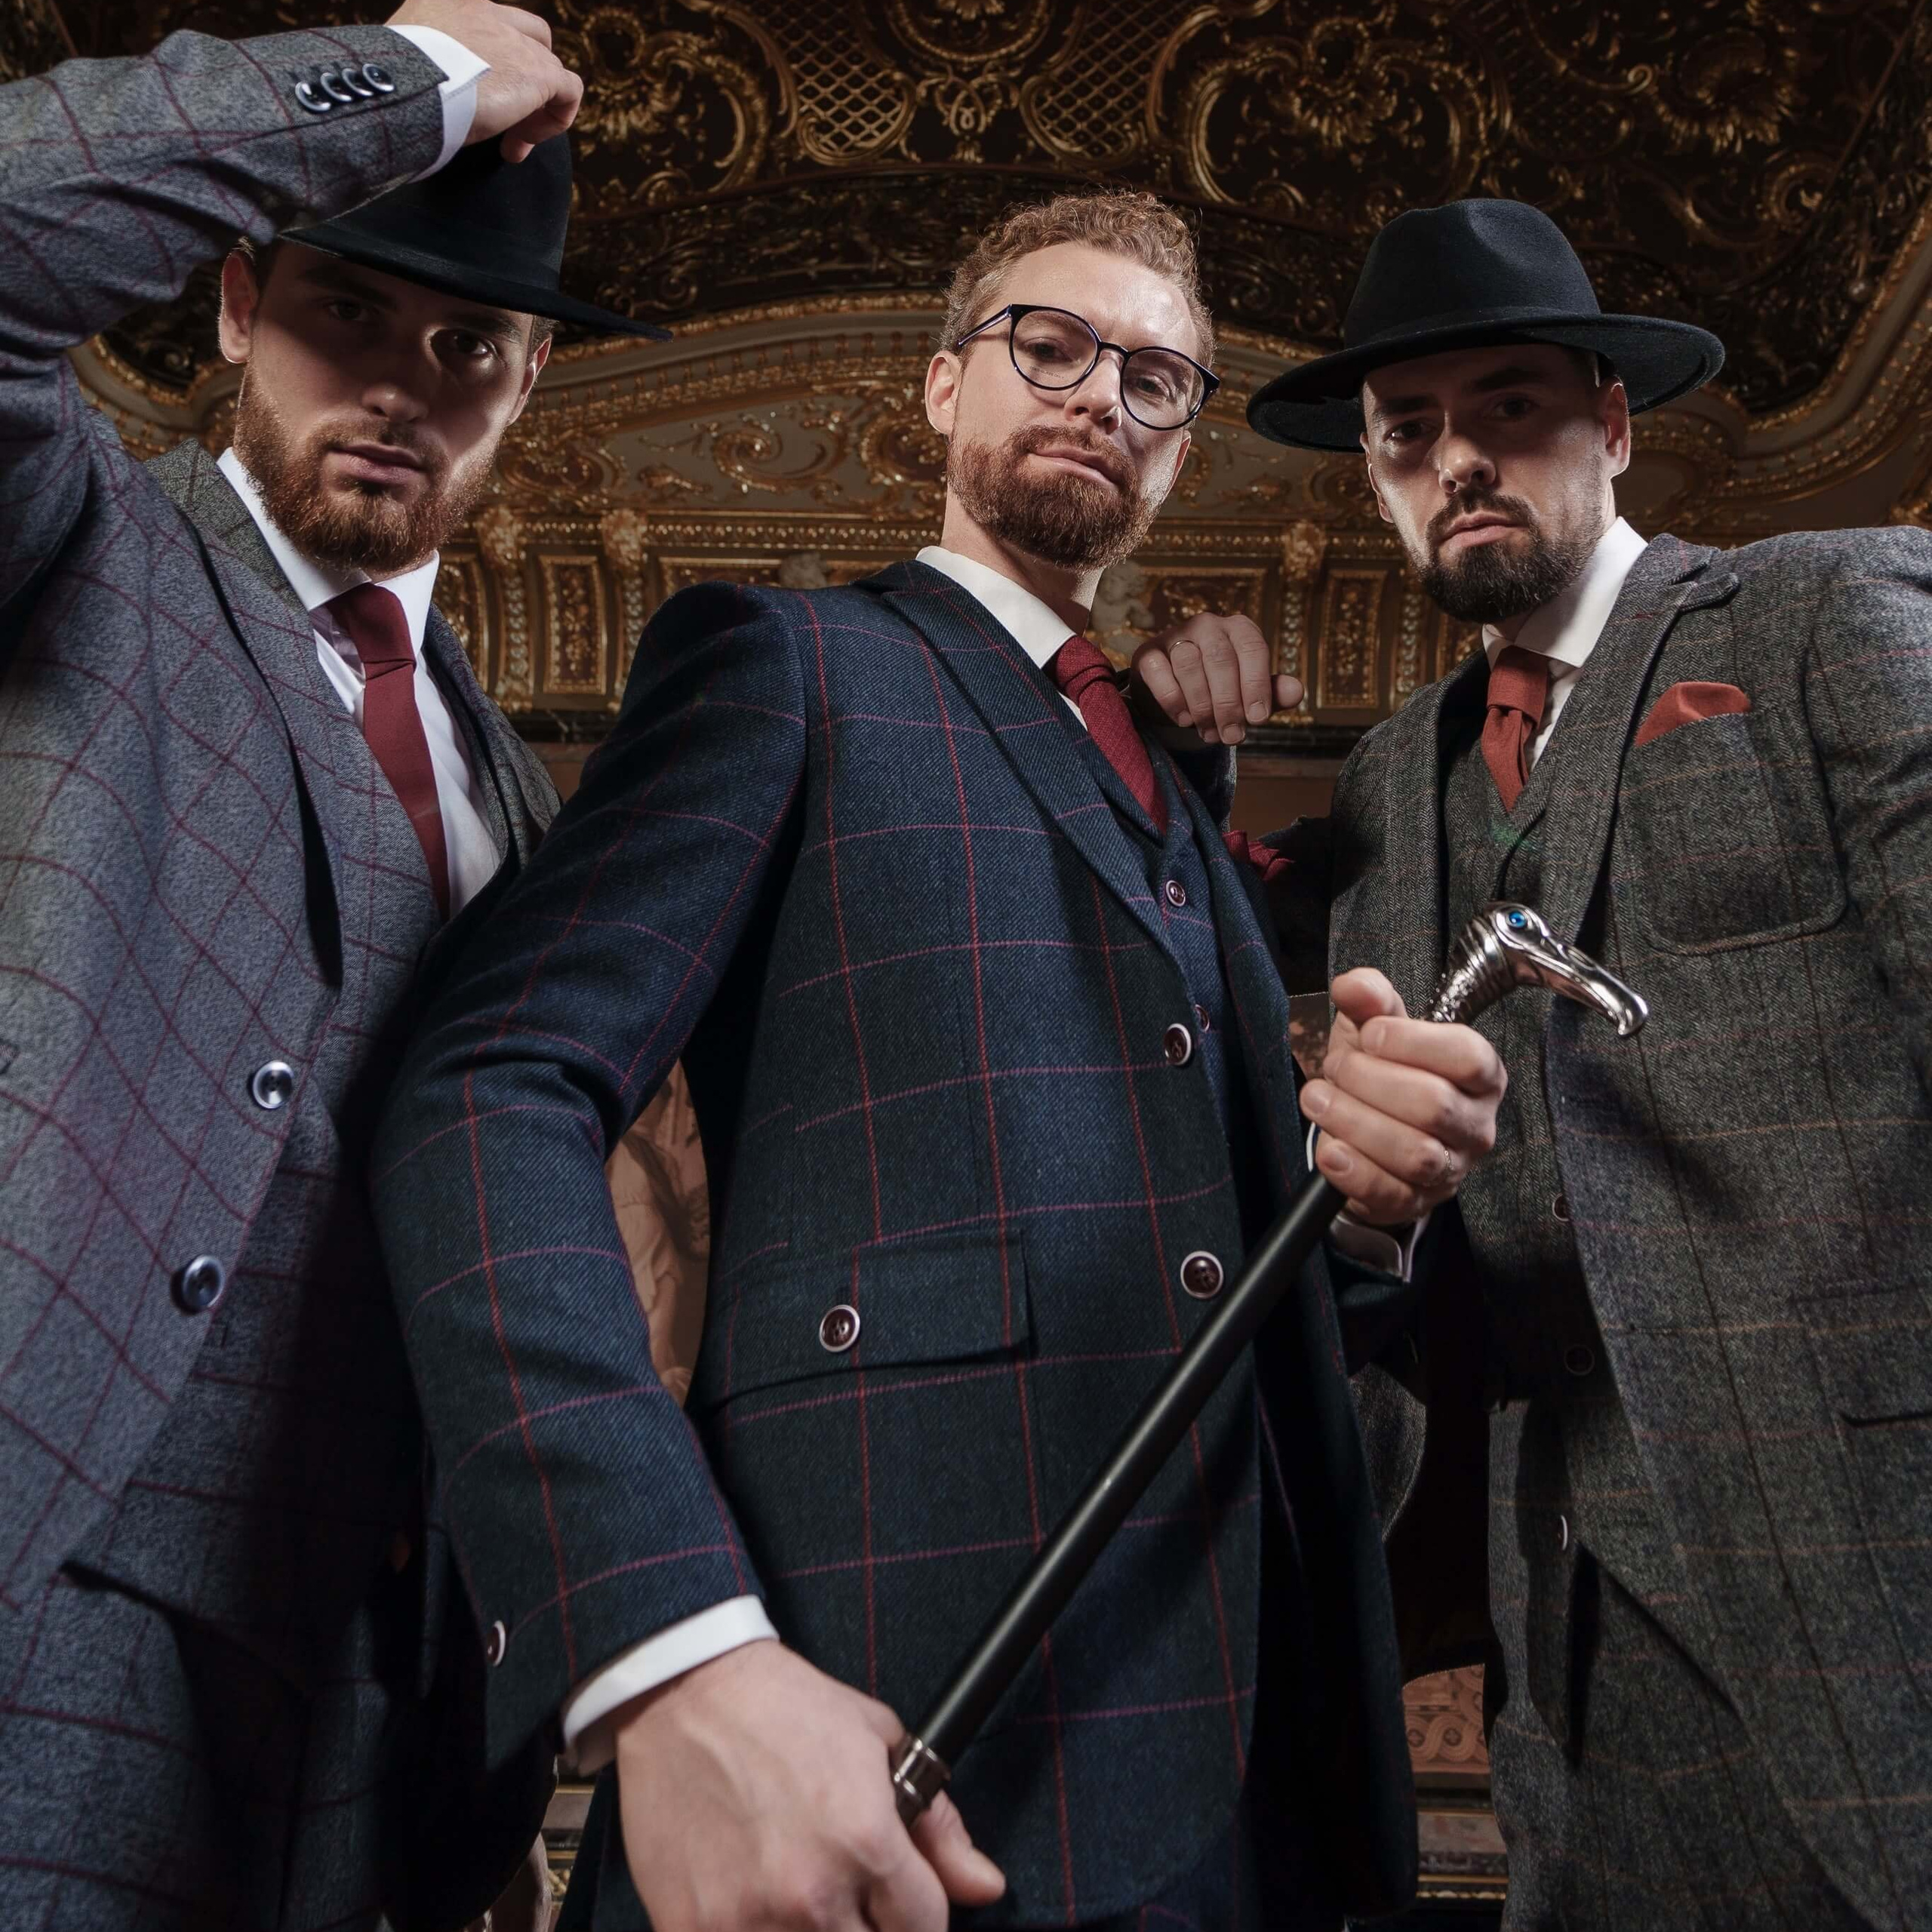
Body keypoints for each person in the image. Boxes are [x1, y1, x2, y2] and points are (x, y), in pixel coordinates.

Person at [371, 189, 1509, 1931]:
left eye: (1152, 378)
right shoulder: (786, 663)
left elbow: (1220, 1274)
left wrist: (1356, 1219)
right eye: (1045, 346)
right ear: (937, 388)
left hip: (1254, 1761)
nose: (1092, 395)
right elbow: (488, 1084)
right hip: (892, 1704)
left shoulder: (1173, 798)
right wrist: (661, 1634)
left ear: (1183, 452)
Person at [1139, 197, 1932, 1930]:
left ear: (1614, 424)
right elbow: (1173, 951)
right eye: (1407, 430)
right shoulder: (1389, 774)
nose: (1459, 459)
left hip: (1871, 1558)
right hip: (1552, 1614)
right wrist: (1181, 742)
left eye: (1509, 405)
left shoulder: (1815, 621)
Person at [0, 6, 663, 1923]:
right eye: (344, 315)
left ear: (528, 383)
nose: (400, 384)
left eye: (466, 346)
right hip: (61, 1590)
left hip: (391, 1711)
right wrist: (392, 76)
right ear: (230, 307)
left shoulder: (512, 793)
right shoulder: (78, 546)